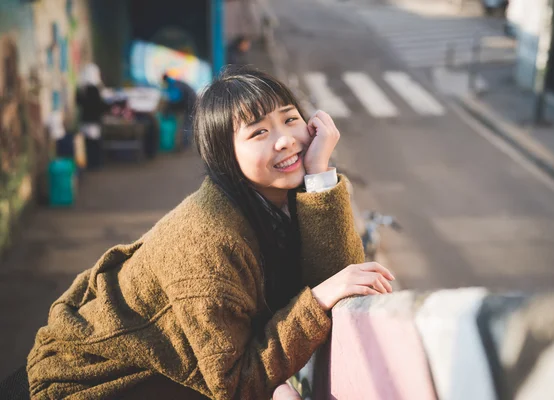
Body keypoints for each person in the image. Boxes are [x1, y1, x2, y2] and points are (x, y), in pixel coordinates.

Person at [27, 66, 395, 399]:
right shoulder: (207, 242)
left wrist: (319, 174)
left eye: (290, 118)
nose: (285, 140)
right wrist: (315, 301)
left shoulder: (277, 199)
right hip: (92, 383)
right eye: (259, 132)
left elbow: (342, 280)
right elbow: (234, 385)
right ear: (226, 156)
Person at [76, 63, 109, 169]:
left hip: (85, 121)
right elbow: (101, 106)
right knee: (95, 144)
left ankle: (90, 164)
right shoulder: (96, 90)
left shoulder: (82, 89)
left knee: (88, 144)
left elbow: (78, 102)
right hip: (94, 121)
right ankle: (96, 164)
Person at [162, 72, 198, 149]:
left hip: (190, 104)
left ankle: (185, 145)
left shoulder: (175, 85)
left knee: (187, 125)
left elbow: (175, 99)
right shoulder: (175, 83)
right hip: (190, 103)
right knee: (187, 124)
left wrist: (168, 109)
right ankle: (185, 144)